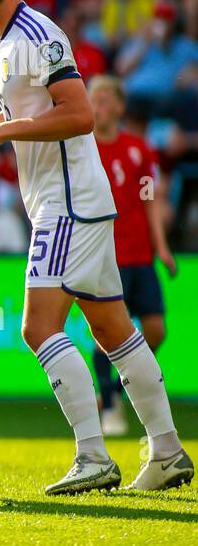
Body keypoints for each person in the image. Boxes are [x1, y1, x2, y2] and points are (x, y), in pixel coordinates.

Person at [0, 0, 191, 494]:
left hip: (68, 203)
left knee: (38, 327)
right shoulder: (1, 43)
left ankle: (93, 456)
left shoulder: (39, 35)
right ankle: (167, 451)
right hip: (74, 201)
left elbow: (78, 114)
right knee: (115, 330)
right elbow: (25, 115)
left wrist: (4, 134)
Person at [87, 75, 176, 436]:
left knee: (155, 329)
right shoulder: (84, 149)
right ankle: (109, 405)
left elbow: (149, 201)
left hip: (140, 255)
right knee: (107, 331)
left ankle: (119, 385)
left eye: (106, 99)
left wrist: (162, 247)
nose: (98, 106)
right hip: (106, 256)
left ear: (120, 107)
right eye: (94, 99)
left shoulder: (139, 149)